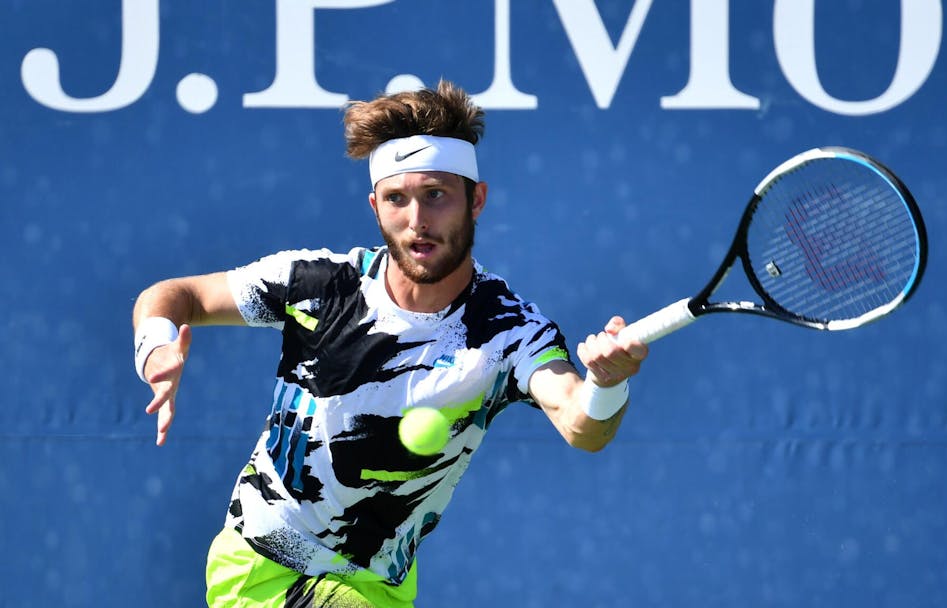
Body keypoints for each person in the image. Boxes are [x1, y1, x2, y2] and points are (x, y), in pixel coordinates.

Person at [131, 80, 648, 607]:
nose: (417, 221)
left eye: (436, 196)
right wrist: (157, 342)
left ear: (477, 200)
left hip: (381, 585)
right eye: (398, 200)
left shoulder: (509, 331)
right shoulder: (317, 283)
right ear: (376, 207)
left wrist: (606, 385)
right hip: (263, 568)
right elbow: (176, 295)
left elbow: (582, 426)